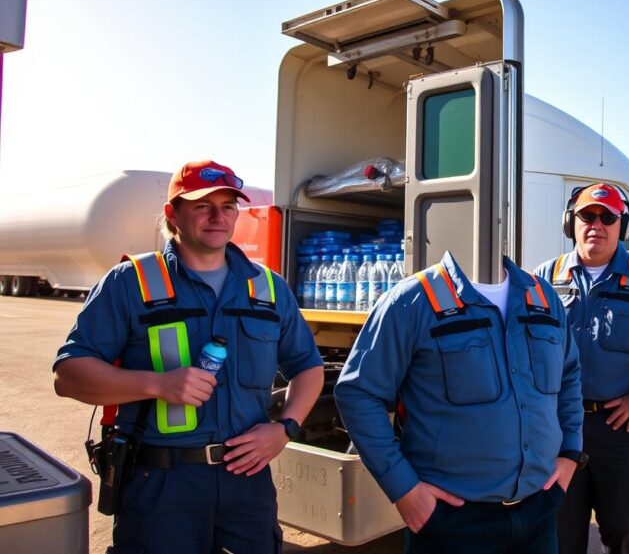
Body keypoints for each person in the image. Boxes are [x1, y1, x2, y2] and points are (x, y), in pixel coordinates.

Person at [54, 160, 325, 554]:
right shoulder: (130, 282)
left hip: (245, 483)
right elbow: (69, 376)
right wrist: (157, 383)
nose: (218, 217)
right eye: (202, 205)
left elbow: (308, 367)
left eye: (228, 206)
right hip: (161, 485)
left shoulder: (269, 288)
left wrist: (285, 429)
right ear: (172, 213)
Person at [335, 251, 584, 554]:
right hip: (452, 523)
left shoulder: (542, 297)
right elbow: (358, 393)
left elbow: (569, 374)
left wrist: (570, 452)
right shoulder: (412, 299)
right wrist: (405, 491)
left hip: (539, 514)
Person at [534, 183, 629, 554]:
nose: (597, 224)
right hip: (558, 429)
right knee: (560, 534)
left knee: (622, 531)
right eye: (588, 215)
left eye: (608, 217)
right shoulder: (544, 278)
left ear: (623, 227)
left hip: (621, 429)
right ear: (571, 222)